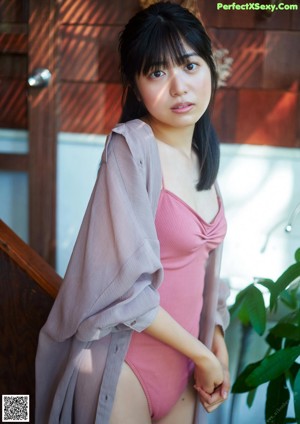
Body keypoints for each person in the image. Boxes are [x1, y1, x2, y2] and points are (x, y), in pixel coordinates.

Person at [35, 2, 230, 423]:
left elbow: (203, 270)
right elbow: (122, 285)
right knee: (11, 411)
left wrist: (215, 340)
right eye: (157, 72)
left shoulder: (203, 155)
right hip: (124, 367)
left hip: (183, 370)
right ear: (135, 85)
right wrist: (202, 354)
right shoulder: (131, 148)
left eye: (190, 66)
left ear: (210, 69)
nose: (179, 86)